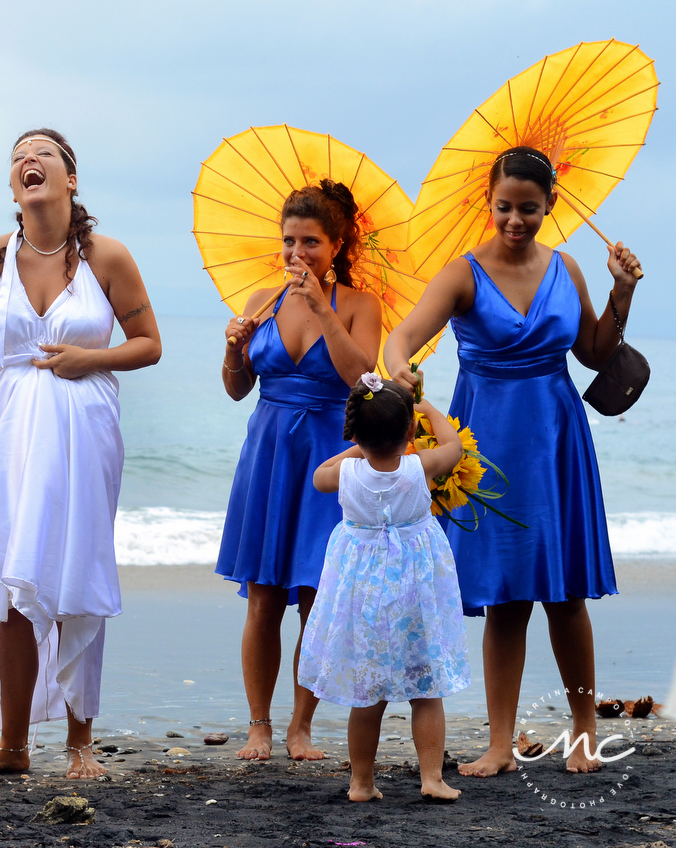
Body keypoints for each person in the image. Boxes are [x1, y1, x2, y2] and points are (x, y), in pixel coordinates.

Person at [382, 146, 642, 776]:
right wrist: (402, 380)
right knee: (505, 598)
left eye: (529, 208)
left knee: (565, 593)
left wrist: (622, 291)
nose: (515, 220)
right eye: (505, 207)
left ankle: (583, 730)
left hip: (555, 439)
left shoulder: (567, 267)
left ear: (551, 204)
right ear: (489, 202)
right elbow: (400, 340)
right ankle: (500, 743)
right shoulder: (463, 273)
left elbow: (596, 351)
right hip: (488, 443)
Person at [0, 130, 161, 780]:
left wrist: (89, 359)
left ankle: (79, 742)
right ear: (14, 187)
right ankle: (13, 745)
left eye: (42, 152)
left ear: (71, 178)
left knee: (75, 576)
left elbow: (148, 343)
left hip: (84, 435)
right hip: (1, 435)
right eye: (17, 157)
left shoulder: (107, 257)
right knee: (12, 580)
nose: (28, 160)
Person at [216, 180, 382, 761]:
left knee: (317, 590)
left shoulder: (361, 305)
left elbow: (362, 379)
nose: (296, 253)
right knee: (262, 593)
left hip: (327, 454)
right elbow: (238, 390)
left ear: (337, 244)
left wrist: (319, 307)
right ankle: (259, 724)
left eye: (310, 241)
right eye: (289, 241)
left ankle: (300, 725)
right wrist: (235, 351)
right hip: (267, 452)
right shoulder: (261, 300)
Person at [299, 375, 468, 802]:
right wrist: (430, 411)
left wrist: (358, 446)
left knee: (367, 693)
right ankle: (432, 778)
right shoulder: (419, 466)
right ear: (410, 431)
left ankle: (361, 783)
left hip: (365, 598)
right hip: (415, 592)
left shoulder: (346, 474)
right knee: (426, 689)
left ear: (354, 431)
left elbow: (319, 476)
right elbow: (454, 450)